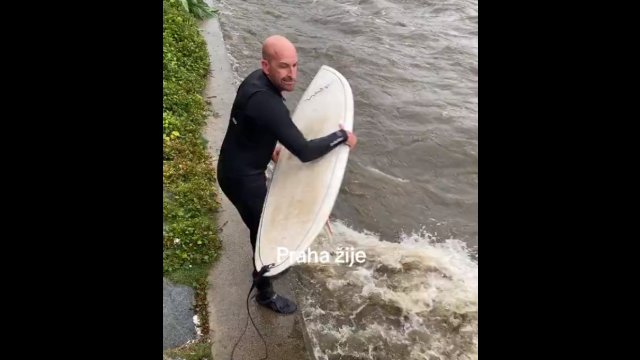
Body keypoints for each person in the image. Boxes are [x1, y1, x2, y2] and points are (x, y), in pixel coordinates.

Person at [216, 35, 357, 315]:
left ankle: (264, 275)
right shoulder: (268, 103)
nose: (292, 75)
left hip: (235, 165)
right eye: (284, 67)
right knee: (265, 234)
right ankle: (265, 294)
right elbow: (304, 151)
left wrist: (270, 150)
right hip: (242, 179)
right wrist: (342, 136)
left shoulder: (254, 82)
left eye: (295, 66)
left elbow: (251, 125)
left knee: (263, 223)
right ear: (265, 65)